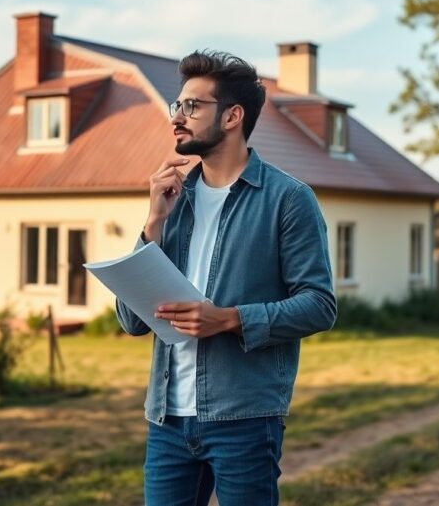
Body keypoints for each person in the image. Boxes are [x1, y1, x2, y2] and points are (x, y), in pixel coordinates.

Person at [114, 50, 337, 505]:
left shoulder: (288, 199)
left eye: (192, 106)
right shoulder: (174, 198)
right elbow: (133, 322)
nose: (178, 117)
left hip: (245, 419)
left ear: (233, 116)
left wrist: (230, 318)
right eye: (178, 106)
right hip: (167, 421)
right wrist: (153, 222)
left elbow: (319, 304)